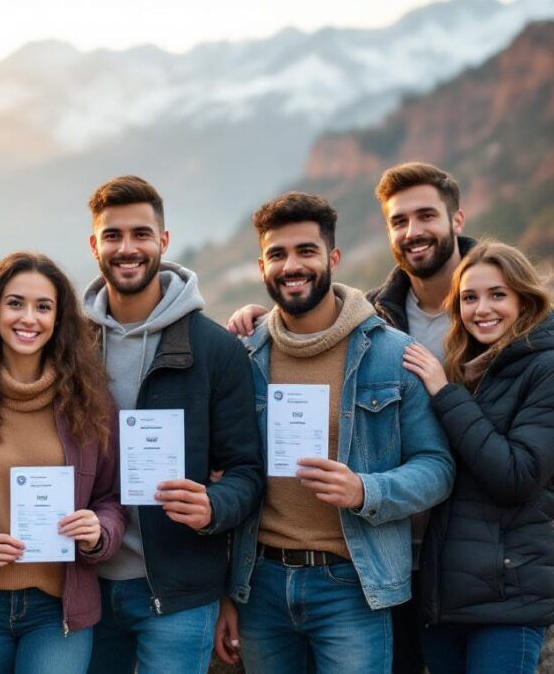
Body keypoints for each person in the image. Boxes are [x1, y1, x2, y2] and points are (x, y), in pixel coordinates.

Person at [225, 162, 473, 673]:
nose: (292, 265)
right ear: (261, 266)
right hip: (260, 584)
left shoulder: (391, 354)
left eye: (306, 251)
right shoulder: (243, 356)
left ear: (333, 257)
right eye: (278, 254)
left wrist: (366, 490)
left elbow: (437, 467)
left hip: (354, 585)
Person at [82, 175, 265, 674]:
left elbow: (247, 471)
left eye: (141, 234)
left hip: (180, 589)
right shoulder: (71, 348)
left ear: (163, 242)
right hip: (82, 584)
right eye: (113, 235)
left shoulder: (215, 349)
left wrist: (213, 506)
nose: (127, 248)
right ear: (95, 245)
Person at [0, 252, 125, 674]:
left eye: (44, 307)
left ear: (59, 320)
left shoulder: (90, 401)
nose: (29, 317)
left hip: (58, 609)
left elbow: (111, 497)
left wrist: (99, 531)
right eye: (16, 303)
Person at [402, 241, 554, 674]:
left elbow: (517, 475)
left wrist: (444, 394)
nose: (481, 309)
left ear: (524, 299)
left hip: (508, 603)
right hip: (444, 603)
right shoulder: (466, 369)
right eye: (469, 297)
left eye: (497, 295)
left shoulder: (545, 368)